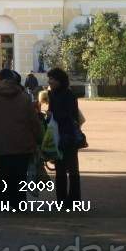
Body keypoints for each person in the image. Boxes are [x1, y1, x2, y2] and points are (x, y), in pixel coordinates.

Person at [0, 68, 43, 211]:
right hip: (22, 143)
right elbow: (34, 121)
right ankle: (19, 203)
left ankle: (2, 203)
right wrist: (39, 138)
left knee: (0, 175)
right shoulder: (24, 97)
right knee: (19, 175)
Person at [47, 68, 82, 209]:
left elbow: (69, 115)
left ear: (60, 80)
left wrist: (52, 115)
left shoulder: (68, 95)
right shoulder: (53, 94)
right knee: (60, 170)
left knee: (72, 170)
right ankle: (61, 200)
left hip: (68, 135)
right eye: (49, 78)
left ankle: (74, 201)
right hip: (57, 135)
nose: (49, 81)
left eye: (52, 79)